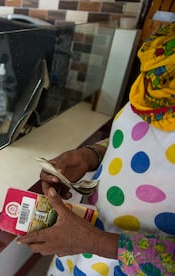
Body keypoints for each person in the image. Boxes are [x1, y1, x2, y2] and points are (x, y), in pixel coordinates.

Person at [17, 23, 175, 275]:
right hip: (83, 240)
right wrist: (90, 155)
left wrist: (96, 242)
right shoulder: (161, 54)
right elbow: (132, 139)